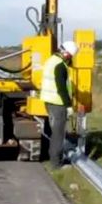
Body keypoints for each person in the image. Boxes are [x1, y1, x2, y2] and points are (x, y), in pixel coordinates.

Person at [40, 41, 79, 169]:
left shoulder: (51, 60)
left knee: (54, 132)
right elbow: (61, 87)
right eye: (70, 56)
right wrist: (68, 105)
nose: (70, 58)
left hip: (49, 101)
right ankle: (56, 164)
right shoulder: (60, 66)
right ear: (66, 53)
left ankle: (54, 159)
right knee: (58, 134)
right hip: (58, 103)